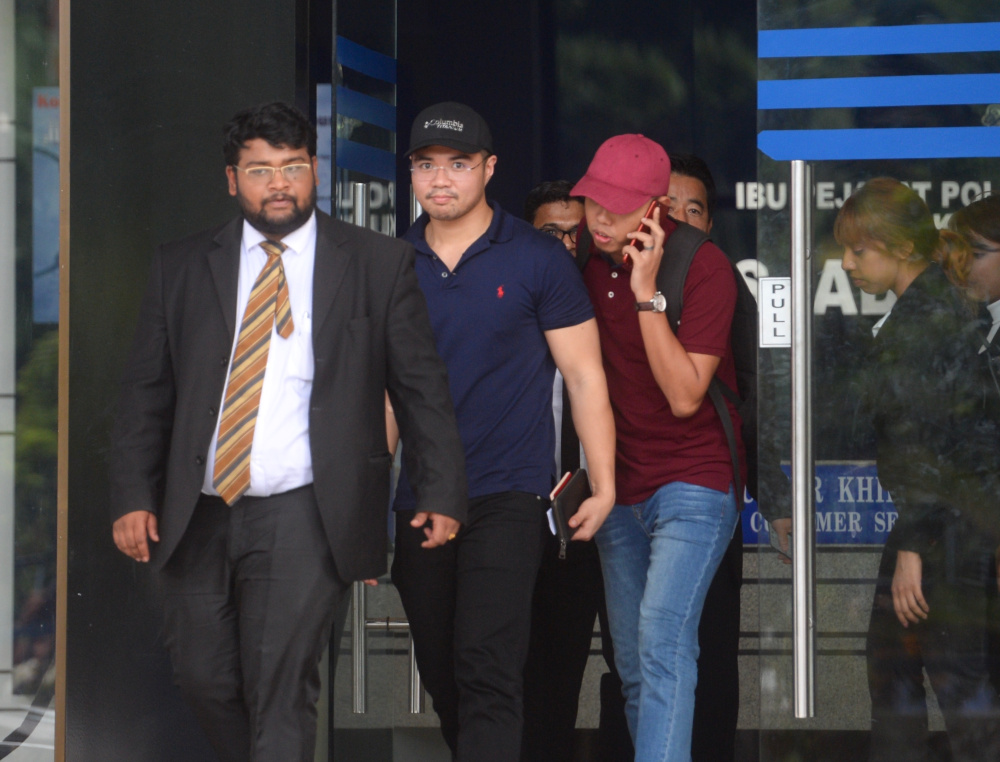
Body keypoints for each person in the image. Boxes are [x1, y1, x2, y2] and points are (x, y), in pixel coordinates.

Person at [108, 101, 467, 762]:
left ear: (315, 171)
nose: (279, 184)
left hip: (307, 509)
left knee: (280, 688)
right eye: (260, 170)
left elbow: (420, 387)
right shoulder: (183, 266)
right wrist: (134, 491)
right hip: (199, 508)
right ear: (231, 180)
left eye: (292, 168)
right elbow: (146, 390)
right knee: (202, 675)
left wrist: (440, 489)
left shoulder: (375, 263)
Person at [389, 102, 616, 762]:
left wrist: (602, 482)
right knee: (446, 674)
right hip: (421, 500)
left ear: (488, 169)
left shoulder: (538, 259)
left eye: (458, 165)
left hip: (510, 498)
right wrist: (366, 503)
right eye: (427, 165)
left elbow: (584, 377)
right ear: (411, 172)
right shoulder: (390, 263)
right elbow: (384, 394)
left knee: (488, 668)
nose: (441, 180)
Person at [572, 134, 743, 761]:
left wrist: (647, 291)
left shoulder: (703, 266)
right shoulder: (586, 264)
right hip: (619, 487)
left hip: (695, 482)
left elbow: (684, 397)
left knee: (662, 640)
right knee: (637, 667)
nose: (601, 219)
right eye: (593, 203)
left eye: (618, 207)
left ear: (657, 208)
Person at [834, 177, 1000, 762]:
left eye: (861, 249)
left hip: (942, 529)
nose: (848, 263)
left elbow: (932, 440)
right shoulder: (939, 306)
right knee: (903, 664)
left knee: (953, 679)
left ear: (902, 249)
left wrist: (913, 547)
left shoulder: (926, 318)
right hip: (949, 522)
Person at [520, 180, 631, 762]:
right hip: (517, 517)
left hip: (598, 516)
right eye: (550, 233)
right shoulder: (508, 307)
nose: (564, 245)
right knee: (522, 676)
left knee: (619, 667)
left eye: (575, 233)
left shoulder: (606, 304)